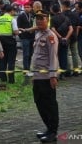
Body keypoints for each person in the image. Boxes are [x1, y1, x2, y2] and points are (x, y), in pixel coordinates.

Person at [31, 12, 59, 143]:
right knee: (39, 102)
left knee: (49, 104)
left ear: (47, 20)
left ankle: (53, 131)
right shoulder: (38, 34)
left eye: (42, 19)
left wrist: (53, 76)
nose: (39, 21)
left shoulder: (50, 36)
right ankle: (48, 128)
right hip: (37, 75)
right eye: (37, 19)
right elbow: (36, 56)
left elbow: (53, 57)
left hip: (47, 76)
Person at [0, 4, 19, 83]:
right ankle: (11, 80)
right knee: (11, 60)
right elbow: (16, 32)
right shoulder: (12, 19)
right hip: (10, 41)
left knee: (2, 59)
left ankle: (2, 78)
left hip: (0, 41)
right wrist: (19, 31)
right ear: (11, 11)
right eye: (13, 11)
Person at [50, 3, 73, 79]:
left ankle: (55, 75)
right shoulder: (66, 18)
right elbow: (71, 29)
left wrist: (59, 37)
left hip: (56, 41)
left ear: (53, 10)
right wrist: (66, 38)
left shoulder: (52, 19)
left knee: (55, 57)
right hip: (65, 41)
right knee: (64, 57)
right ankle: (63, 74)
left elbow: (53, 29)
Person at [17, 2, 35, 84]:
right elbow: (18, 27)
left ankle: (29, 67)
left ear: (31, 8)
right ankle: (26, 69)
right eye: (25, 7)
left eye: (28, 7)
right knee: (26, 54)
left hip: (32, 37)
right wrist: (24, 30)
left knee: (31, 53)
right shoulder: (21, 16)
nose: (27, 8)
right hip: (24, 37)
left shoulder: (33, 15)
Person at [61, 0, 80, 77]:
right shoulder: (75, 14)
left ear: (64, 6)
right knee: (75, 54)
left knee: (66, 54)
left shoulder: (62, 15)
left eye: (62, 6)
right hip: (74, 36)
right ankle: (76, 71)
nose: (61, 8)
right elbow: (77, 26)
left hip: (66, 37)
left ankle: (68, 71)